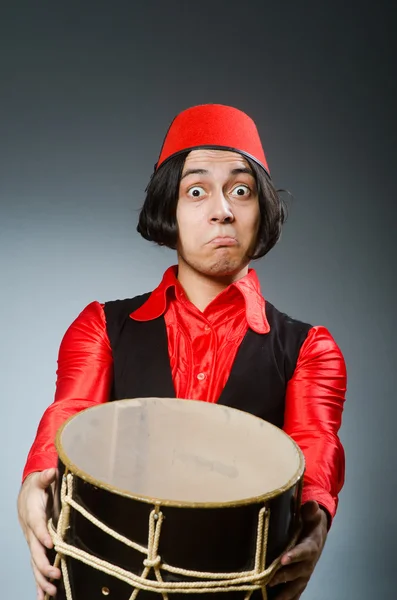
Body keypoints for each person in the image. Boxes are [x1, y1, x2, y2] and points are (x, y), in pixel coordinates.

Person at [17, 104, 347, 600]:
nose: (223, 210)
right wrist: (34, 481)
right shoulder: (102, 327)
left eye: (242, 190)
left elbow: (314, 446)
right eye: (197, 191)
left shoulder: (309, 349)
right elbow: (70, 413)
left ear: (262, 211)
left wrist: (317, 516)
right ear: (168, 207)